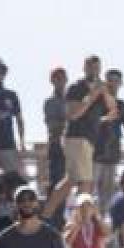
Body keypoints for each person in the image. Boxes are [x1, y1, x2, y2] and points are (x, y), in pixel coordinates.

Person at [44, 55, 118, 217]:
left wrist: (105, 94)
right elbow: (73, 114)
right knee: (86, 182)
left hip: (89, 140)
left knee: (70, 180)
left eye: (97, 67)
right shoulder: (76, 88)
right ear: (84, 68)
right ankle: (81, 220)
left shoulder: (100, 89)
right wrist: (92, 95)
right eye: (90, 67)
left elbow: (112, 113)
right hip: (76, 137)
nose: (94, 70)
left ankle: (46, 215)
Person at [93, 69, 124, 211]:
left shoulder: (122, 105)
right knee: (91, 194)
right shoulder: (96, 103)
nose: (113, 84)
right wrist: (105, 119)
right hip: (95, 154)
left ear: (121, 83)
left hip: (112, 155)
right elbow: (89, 123)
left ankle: (102, 226)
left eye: (116, 81)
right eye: (110, 80)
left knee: (107, 196)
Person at [44, 67, 69, 196]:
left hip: (72, 145)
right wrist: (69, 119)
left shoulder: (73, 99)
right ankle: (54, 214)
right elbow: (53, 125)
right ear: (52, 80)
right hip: (57, 146)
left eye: (62, 78)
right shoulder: (50, 102)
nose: (60, 81)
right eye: (57, 78)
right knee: (56, 182)